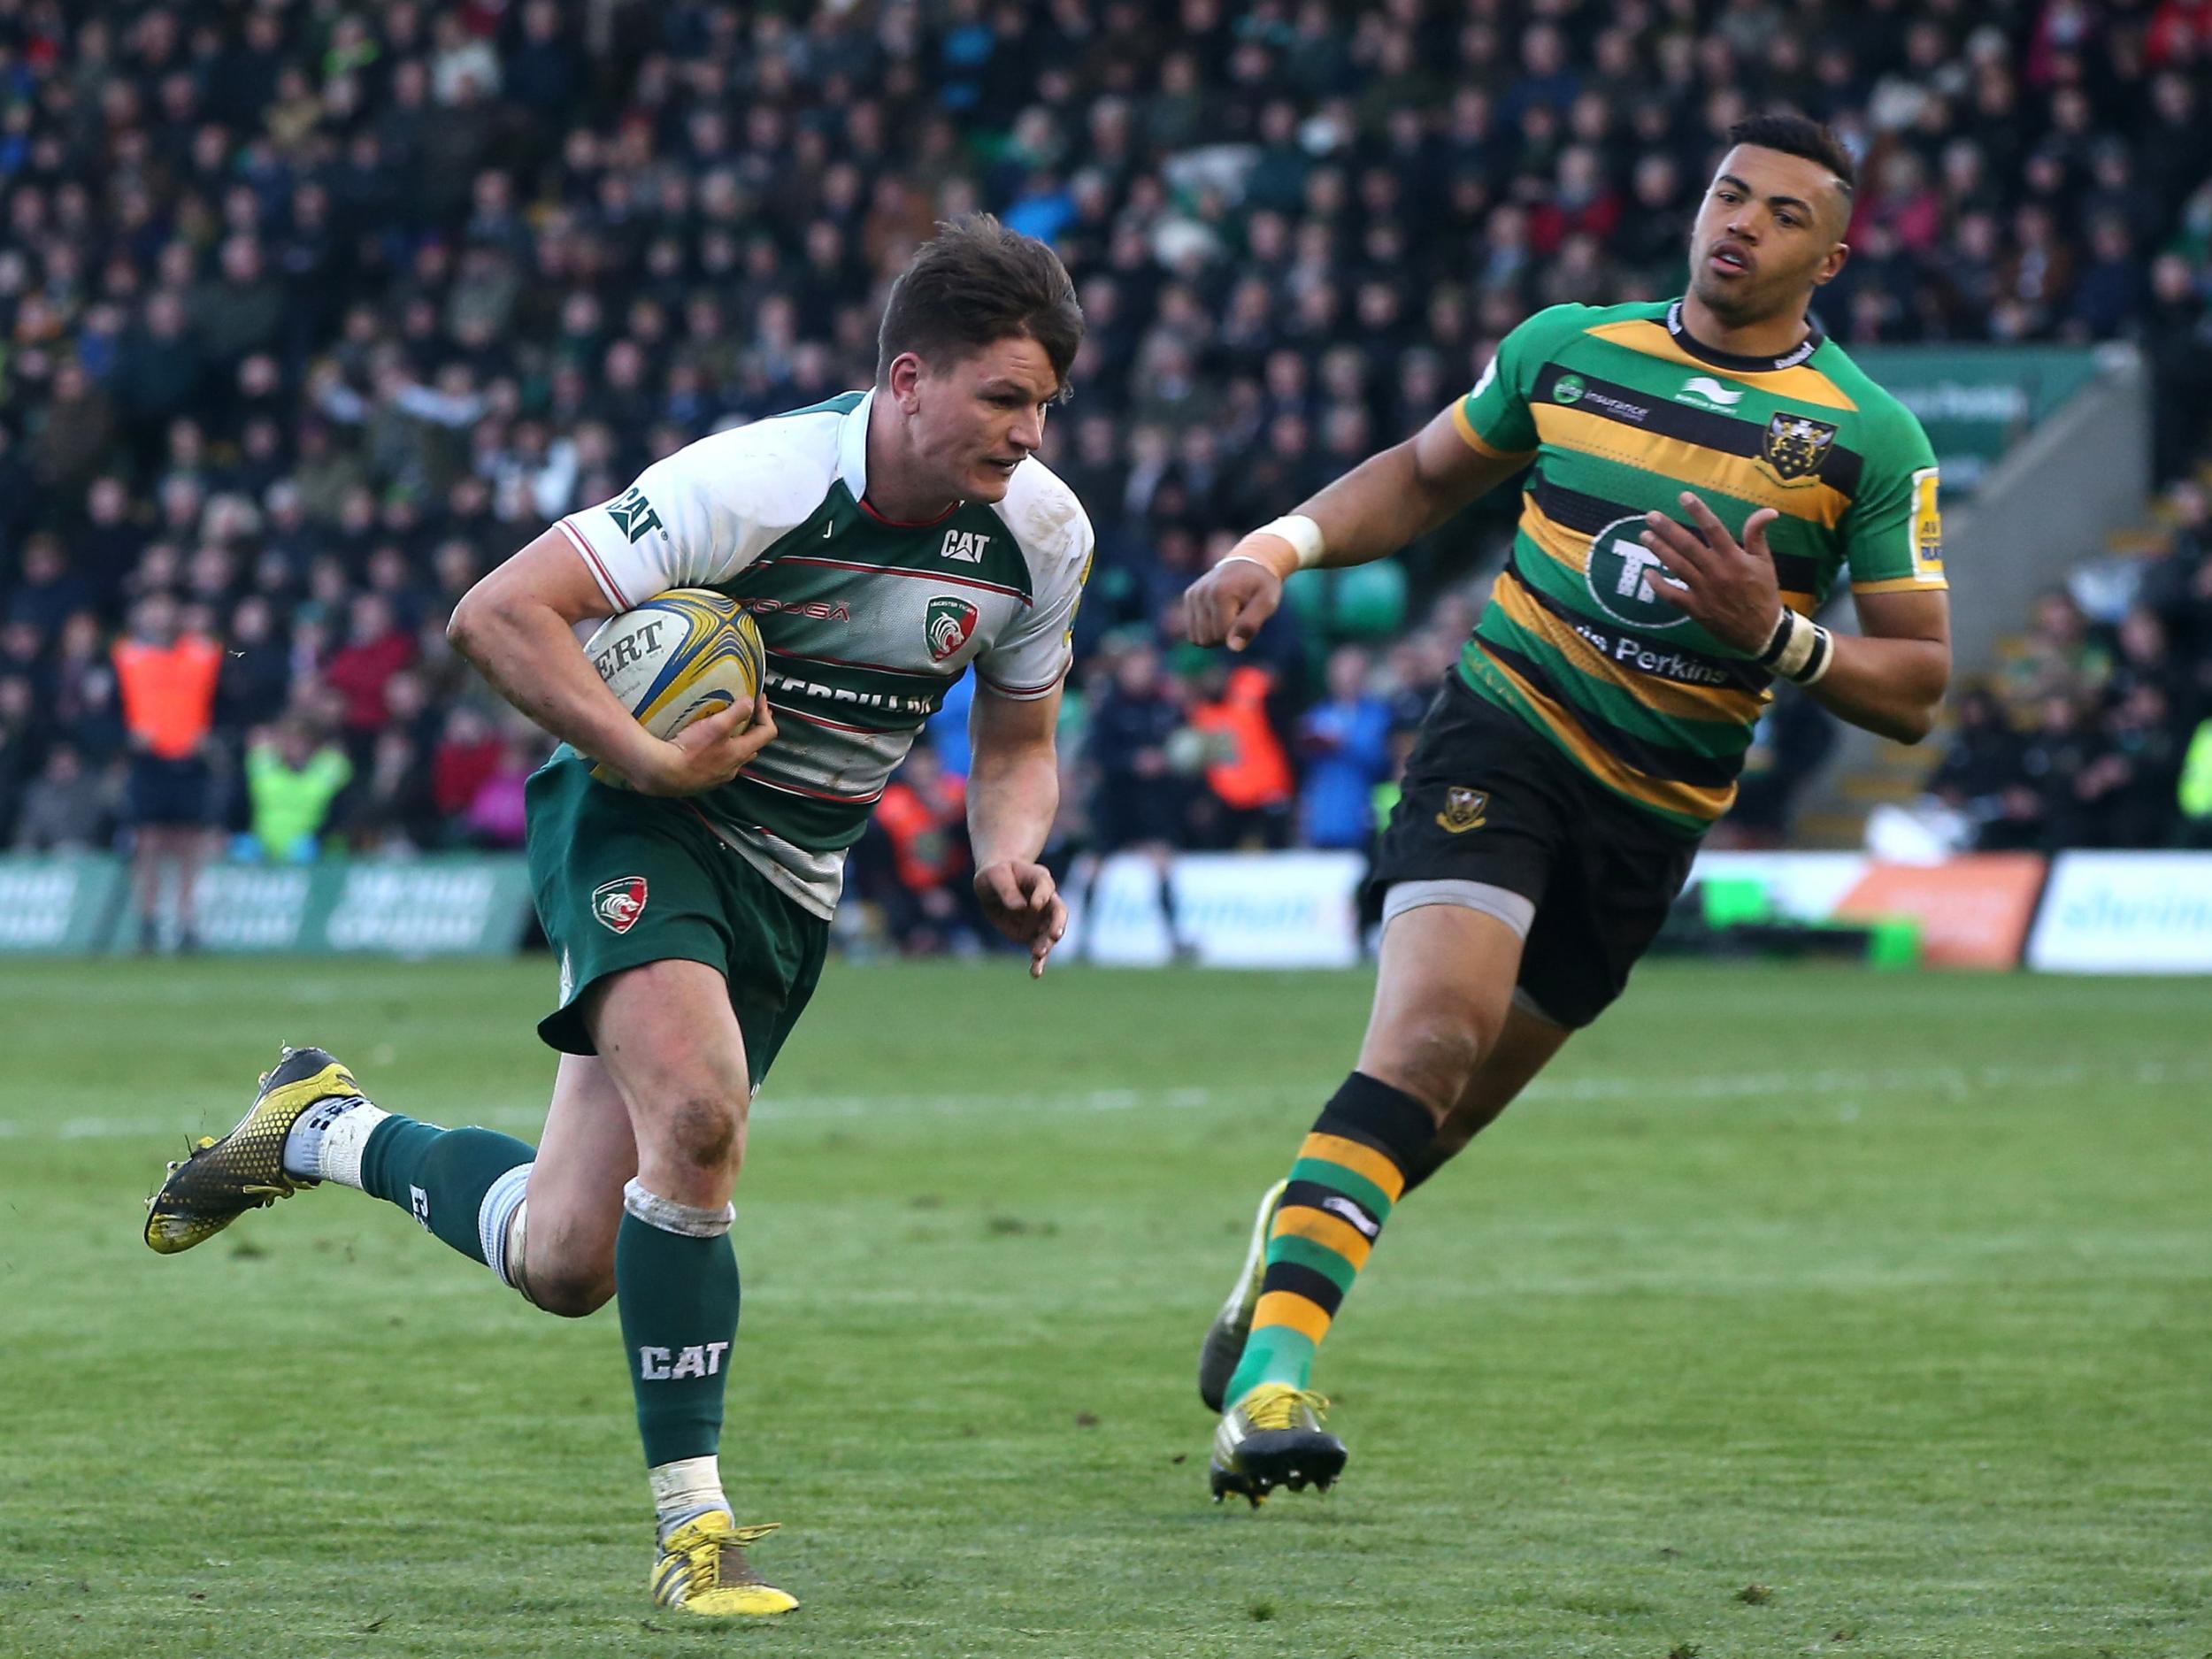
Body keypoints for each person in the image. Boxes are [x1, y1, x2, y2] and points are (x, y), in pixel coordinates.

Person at [142, 217, 1092, 1616]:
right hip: (640, 820)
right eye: (1002, 396)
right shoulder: (755, 482)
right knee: (700, 1121)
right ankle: (696, 1532)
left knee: (567, 1256)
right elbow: (498, 612)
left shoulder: (1042, 535)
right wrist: (642, 756)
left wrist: (1011, 850)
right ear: (905, 381)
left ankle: (320, 1126)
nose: (1026, 431)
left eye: (1044, 405)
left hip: (789, 880)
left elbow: (1017, 739)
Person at [1180, 115, 1952, 1505]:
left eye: (1784, 214)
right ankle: (1274, 1389)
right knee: (1425, 1039)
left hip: (1651, 816)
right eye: (1729, 193)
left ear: (1831, 256)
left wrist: (1774, 635)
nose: (1743, 224)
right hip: (1506, 735)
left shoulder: (1867, 440)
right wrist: (1276, 545)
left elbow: (1918, 681)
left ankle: (1271, 1291)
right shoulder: (1570, 349)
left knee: (1442, 1119)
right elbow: (1422, 479)